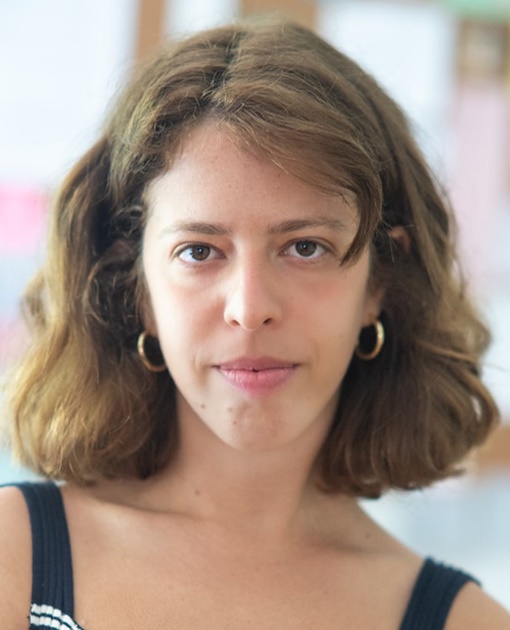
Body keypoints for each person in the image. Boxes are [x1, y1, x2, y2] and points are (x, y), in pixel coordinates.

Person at [1, 18, 509, 630]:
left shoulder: (464, 621)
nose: (249, 307)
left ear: (380, 280)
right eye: (199, 251)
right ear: (135, 286)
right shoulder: (15, 559)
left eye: (305, 247)